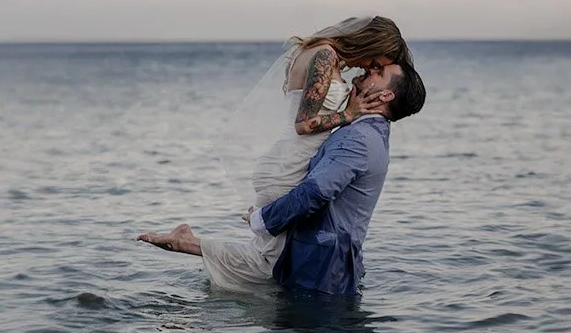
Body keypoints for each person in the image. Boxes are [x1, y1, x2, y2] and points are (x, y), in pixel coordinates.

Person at [140, 57, 427, 295]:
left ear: (386, 95)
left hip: (321, 270)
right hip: (320, 262)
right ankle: (186, 243)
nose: (368, 70)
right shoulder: (366, 132)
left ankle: (187, 248)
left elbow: (315, 192)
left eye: (378, 72)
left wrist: (262, 219)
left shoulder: (360, 139)